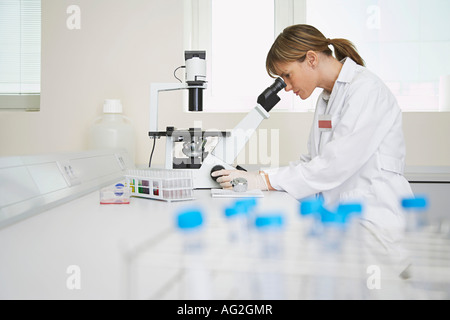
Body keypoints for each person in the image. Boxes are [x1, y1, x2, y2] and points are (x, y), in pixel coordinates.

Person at [212, 24, 414, 277]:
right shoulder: (327, 98)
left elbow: (334, 165)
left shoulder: (366, 90)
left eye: (287, 75)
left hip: (374, 227)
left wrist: (262, 180)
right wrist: (259, 177)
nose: (285, 87)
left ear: (310, 59)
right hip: (343, 225)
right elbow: (312, 161)